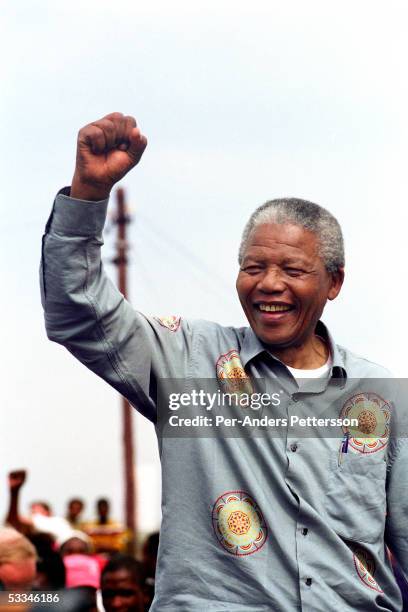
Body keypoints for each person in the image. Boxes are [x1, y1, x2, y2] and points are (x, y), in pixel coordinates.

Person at [40, 112, 408, 611]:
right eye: (253, 267)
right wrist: (87, 196)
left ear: (334, 283)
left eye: (293, 269)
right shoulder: (187, 359)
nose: (269, 283)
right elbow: (76, 311)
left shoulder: (382, 395)